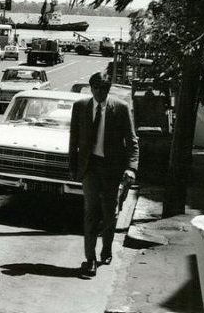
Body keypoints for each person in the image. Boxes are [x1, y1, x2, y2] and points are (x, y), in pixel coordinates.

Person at [69, 70, 139, 278]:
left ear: (109, 89)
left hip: (112, 168)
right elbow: (73, 139)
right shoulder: (80, 107)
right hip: (89, 167)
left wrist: (131, 168)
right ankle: (90, 259)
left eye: (105, 88)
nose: (100, 91)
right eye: (96, 87)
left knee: (110, 213)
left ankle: (106, 248)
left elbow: (132, 142)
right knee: (91, 212)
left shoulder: (120, 108)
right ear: (91, 88)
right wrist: (73, 167)